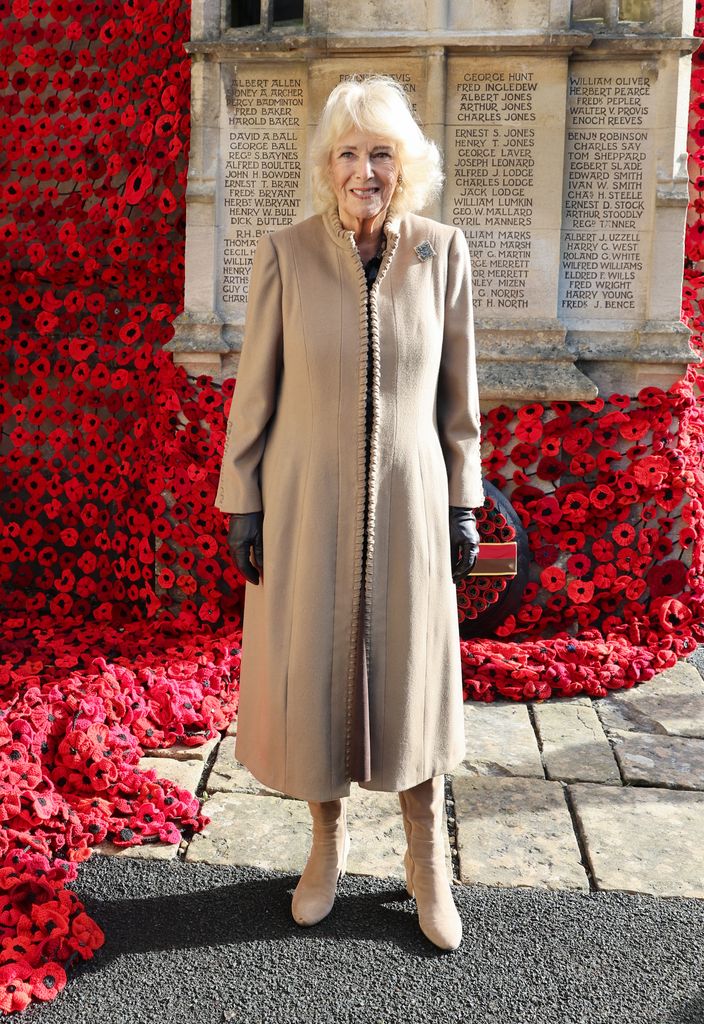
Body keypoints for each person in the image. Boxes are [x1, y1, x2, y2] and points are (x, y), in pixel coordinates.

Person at [214, 75, 483, 951]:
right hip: (303, 500)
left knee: (410, 677)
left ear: (405, 166)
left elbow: (458, 401)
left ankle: (423, 857)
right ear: (326, 167)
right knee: (321, 666)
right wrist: (243, 501)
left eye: (382, 153)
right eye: (349, 154)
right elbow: (254, 393)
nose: (365, 170)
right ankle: (325, 846)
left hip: (409, 504)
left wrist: (464, 500)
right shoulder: (286, 253)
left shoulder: (442, 253)